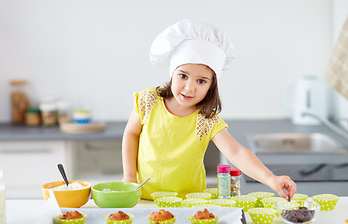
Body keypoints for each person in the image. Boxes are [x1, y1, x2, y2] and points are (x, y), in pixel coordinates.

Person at [122, 19, 296, 200]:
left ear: (211, 85)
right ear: (172, 73)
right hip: (144, 197)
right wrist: (129, 176)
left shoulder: (207, 118)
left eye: (201, 81)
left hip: (189, 202)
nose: (189, 88)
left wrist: (270, 178)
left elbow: (236, 152)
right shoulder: (148, 101)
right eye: (183, 76)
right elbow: (131, 133)